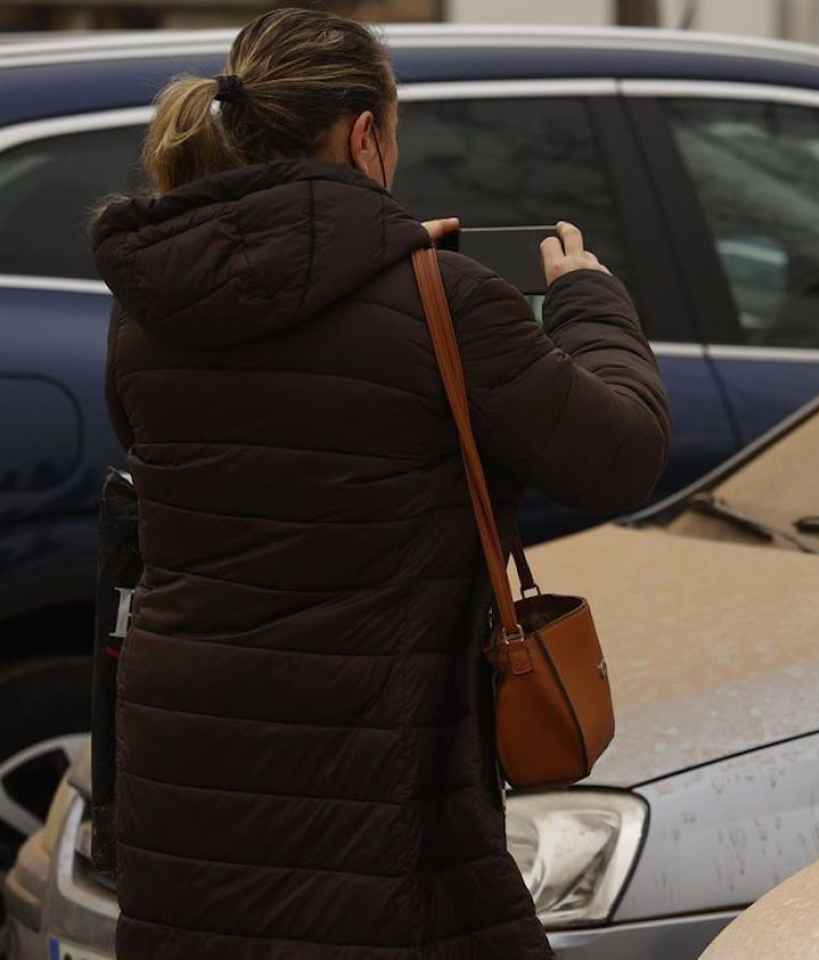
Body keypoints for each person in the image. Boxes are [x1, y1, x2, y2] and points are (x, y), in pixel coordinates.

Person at [90, 8, 669, 959]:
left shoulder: (151, 309)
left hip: (187, 782)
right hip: (370, 790)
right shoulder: (445, 302)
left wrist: (390, 269)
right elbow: (623, 451)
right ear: (366, 134)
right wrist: (586, 298)